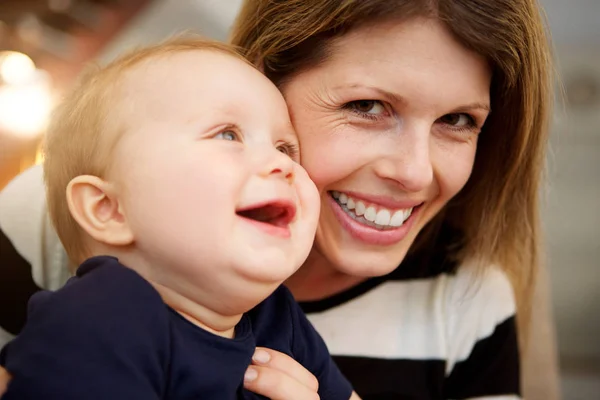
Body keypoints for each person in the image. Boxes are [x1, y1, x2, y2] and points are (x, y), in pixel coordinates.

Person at [0, 0, 557, 399]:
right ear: (262, 81)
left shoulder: (276, 316)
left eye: (458, 120)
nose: (414, 173)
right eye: (366, 106)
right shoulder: (91, 296)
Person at [0, 36, 360, 400]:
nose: (283, 164)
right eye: (228, 134)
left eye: (285, 147)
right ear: (108, 209)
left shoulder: (276, 317)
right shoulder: (102, 316)